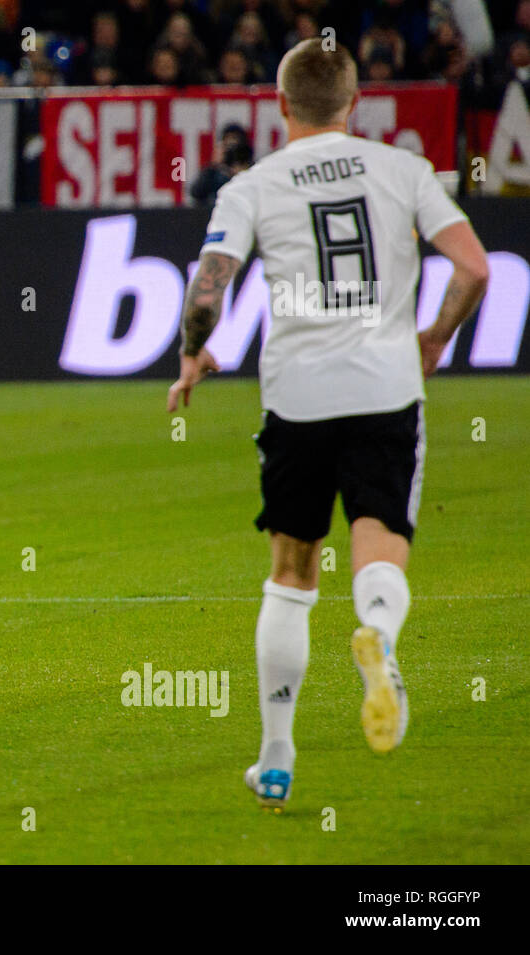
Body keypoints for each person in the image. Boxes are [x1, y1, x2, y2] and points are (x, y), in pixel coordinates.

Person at [165, 39, 489, 809]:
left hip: (298, 397)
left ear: (280, 106)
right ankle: (377, 631)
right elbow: (475, 265)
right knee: (380, 540)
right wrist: (436, 336)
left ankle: (275, 757)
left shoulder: (252, 184)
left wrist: (192, 357)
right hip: (385, 386)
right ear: (354, 104)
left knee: (291, 574)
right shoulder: (403, 169)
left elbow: (208, 290)